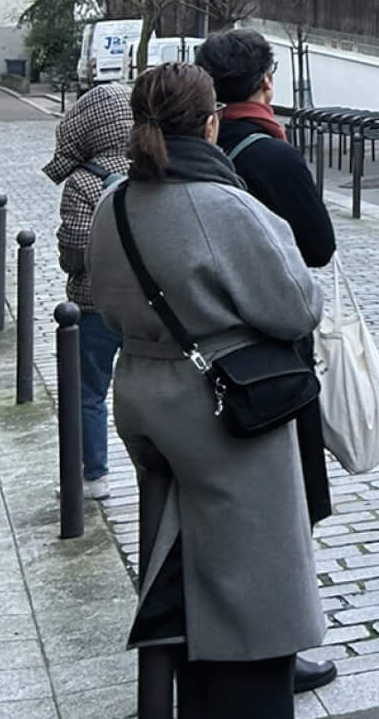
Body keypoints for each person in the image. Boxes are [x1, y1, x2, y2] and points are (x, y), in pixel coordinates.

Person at [88, 64, 326, 719]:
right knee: (253, 577)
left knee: (181, 563)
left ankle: (175, 687)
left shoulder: (115, 202)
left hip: (142, 391)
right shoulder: (225, 206)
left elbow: (96, 297)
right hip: (219, 406)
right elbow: (298, 306)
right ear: (212, 121)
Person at [193, 28, 339, 700]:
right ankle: (278, 652)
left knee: (226, 509)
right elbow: (318, 243)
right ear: (265, 83)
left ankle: (218, 640)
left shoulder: (198, 148)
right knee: (285, 509)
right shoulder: (271, 155)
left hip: (205, 354)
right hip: (273, 355)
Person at [45, 74, 134, 499]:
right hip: (144, 304)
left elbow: (76, 250)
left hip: (95, 304)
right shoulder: (154, 168)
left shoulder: (82, 181)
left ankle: (93, 475)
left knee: (87, 392)